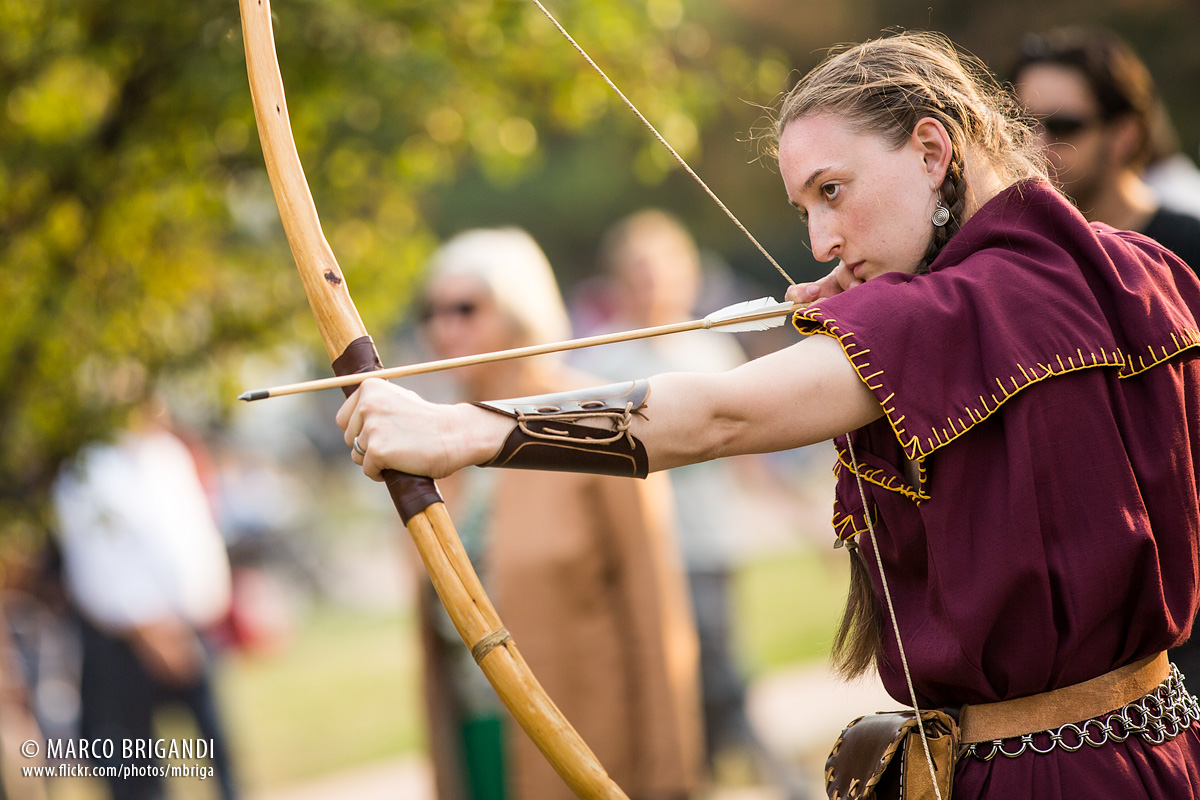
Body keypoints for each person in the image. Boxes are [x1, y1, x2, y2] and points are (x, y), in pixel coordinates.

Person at [338, 31, 1200, 799]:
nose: (822, 241)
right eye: (805, 209)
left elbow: (718, 416)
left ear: (933, 150)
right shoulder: (1143, 270)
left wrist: (461, 430)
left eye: (834, 190)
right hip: (1165, 745)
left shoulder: (938, 315)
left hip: (1036, 778)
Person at [407, 228, 703, 800]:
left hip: (586, 735)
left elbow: (653, 606)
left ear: (518, 310)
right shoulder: (434, 442)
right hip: (478, 735)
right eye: (432, 311)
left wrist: (669, 774)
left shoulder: (592, 419)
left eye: (465, 308)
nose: (443, 328)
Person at [573, 210, 806, 798]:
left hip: (705, 550)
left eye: (664, 269)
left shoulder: (712, 354)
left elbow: (752, 453)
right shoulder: (599, 364)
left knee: (716, 674)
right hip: (634, 557)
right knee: (655, 681)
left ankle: (768, 778)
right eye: (639, 271)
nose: (652, 283)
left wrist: (806, 521)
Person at [51, 398, 239, 800]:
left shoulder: (169, 455)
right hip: (125, 639)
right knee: (138, 768)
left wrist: (201, 605)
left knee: (220, 751)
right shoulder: (88, 467)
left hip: (190, 625)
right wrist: (147, 626)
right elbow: (97, 562)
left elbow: (195, 536)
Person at [1009, 25, 1200, 271]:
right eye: (1021, 125)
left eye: (1063, 127)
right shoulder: (1011, 250)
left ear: (1124, 134)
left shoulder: (1188, 252)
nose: (1034, 145)